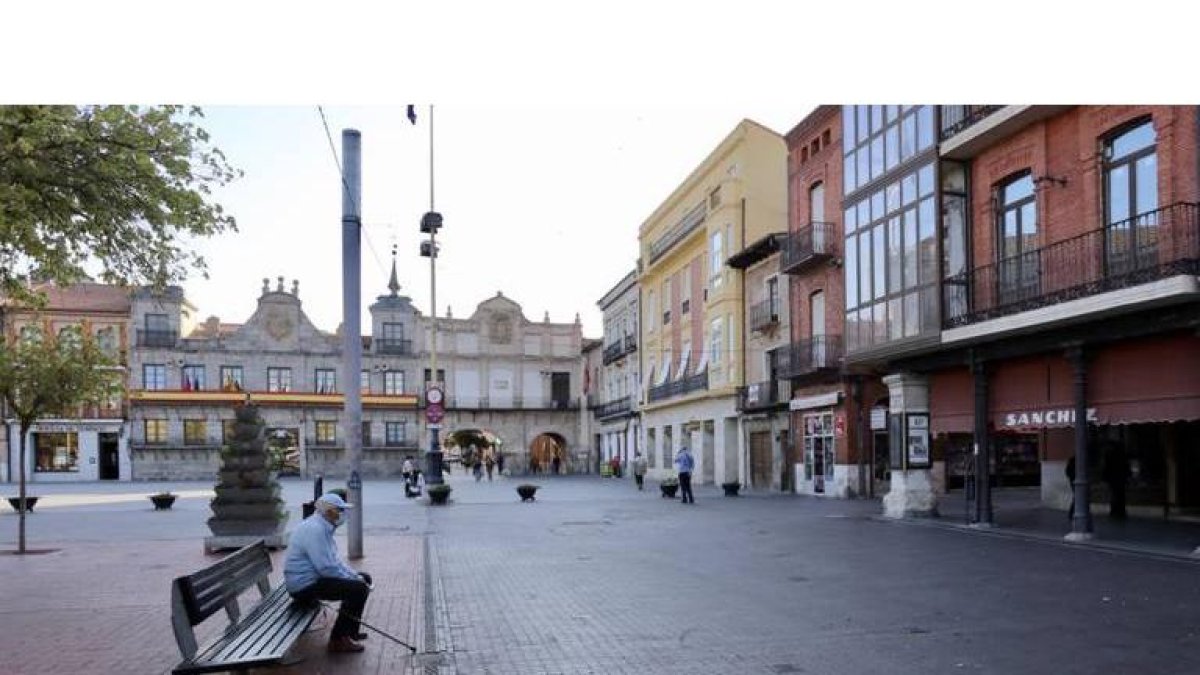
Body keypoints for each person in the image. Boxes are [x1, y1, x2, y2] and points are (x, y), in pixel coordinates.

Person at [284, 492, 372, 653]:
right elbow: (325, 568)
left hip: (312, 580)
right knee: (358, 589)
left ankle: (350, 631)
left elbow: (335, 562)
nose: (342, 515)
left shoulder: (322, 527)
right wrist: (355, 580)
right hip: (303, 587)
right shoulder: (315, 530)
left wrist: (355, 576)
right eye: (340, 510)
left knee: (363, 579)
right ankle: (338, 640)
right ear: (329, 511)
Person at [1103, 441, 1129, 519]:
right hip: (1120, 478)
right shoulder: (1122, 455)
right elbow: (1126, 467)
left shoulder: (1110, 455)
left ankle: (1115, 511)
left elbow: (1107, 467)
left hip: (1113, 478)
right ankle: (1120, 511)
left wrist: (1105, 478)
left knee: (1114, 495)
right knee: (1120, 495)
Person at [1065, 455, 1076, 522]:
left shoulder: (1072, 460)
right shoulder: (1074, 460)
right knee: (1077, 497)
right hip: (1074, 481)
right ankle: (1071, 513)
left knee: (1076, 497)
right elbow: (1068, 472)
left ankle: (1071, 513)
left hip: (1073, 481)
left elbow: (1067, 472)